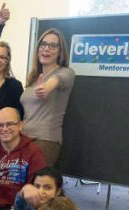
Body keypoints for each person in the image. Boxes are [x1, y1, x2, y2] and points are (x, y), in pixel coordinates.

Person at [20, 29, 75, 167]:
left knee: (36, 185)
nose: (46, 49)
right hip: (23, 139)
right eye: (43, 44)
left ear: (60, 51)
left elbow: (58, 79)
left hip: (45, 140)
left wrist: (47, 87)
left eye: (53, 45)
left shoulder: (66, 72)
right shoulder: (34, 77)